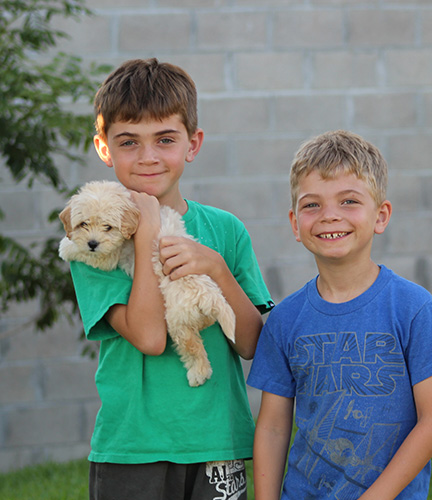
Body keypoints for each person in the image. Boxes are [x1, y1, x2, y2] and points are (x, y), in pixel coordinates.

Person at [68, 58, 274, 500]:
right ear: (104, 148)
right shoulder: (94, 240)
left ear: (192, 144)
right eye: (128, 142)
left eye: (164, 139)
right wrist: (146, 234)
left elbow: (253, 345)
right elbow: (150, 338)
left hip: (218, 442)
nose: (148, 157)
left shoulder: (226, 230)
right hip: (133, 448)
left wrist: (216, 268)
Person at [247, 130, 432, 499]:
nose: (330, 216)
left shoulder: (413, 308)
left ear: (381, 216)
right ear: (295, 223)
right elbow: (272, 427)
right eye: (312, 205)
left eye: (349, 201)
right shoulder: (285, 320)